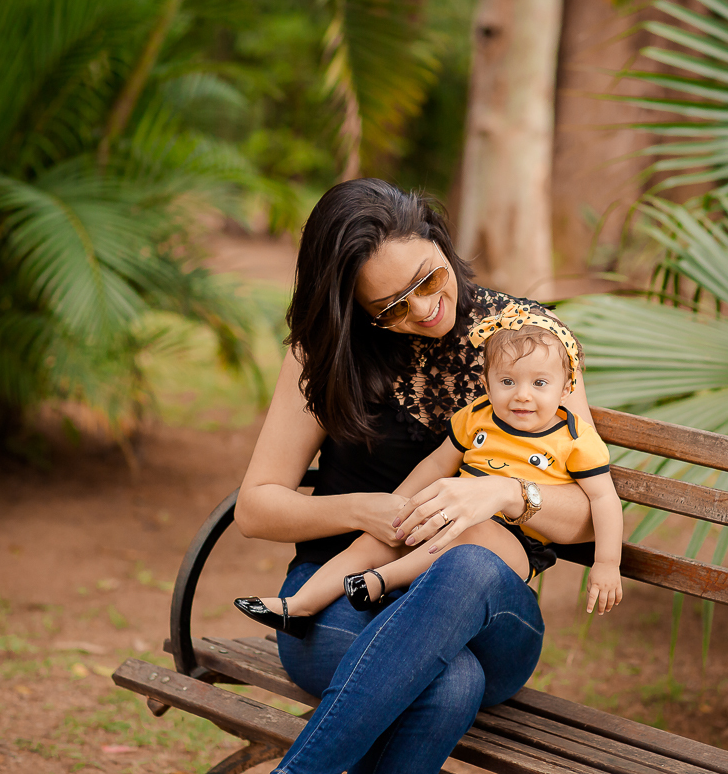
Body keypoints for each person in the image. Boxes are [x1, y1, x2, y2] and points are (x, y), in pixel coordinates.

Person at [234, 178, 615, 774]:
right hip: (336, 599)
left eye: (427, 279)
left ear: (440, 242)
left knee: (467, 568)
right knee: (448, 683)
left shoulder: (528, 350)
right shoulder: (329, 349)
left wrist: (508, 493)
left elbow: (589, 519)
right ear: (354, 309)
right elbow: (256, 508)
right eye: (390, 307)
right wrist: (365, 509)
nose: (423, 308)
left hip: (485, 614)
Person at [233, 302, 623, 638]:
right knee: (376, 540)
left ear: (566, 386)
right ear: (486, 383)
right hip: (450, 516)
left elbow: (603, 498)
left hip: (516, 544)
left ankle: (381, 581)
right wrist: (402, 507)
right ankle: (297, 607)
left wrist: (607, 563)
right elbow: (437, 463)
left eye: (540, 383)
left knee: (468, 532)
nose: (523, 394)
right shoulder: (477, 418)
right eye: (507, 381)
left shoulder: (574, 438)